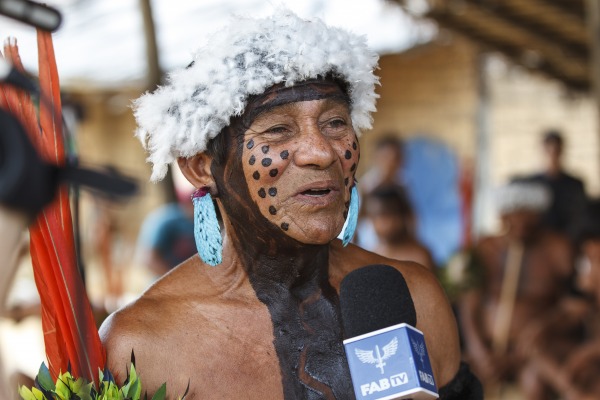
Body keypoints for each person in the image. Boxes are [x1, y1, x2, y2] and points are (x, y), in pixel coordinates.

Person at [100, 10, 480, 399]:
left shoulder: (413, 297)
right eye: (279, 129)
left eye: (335, 123)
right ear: (201, 168)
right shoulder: (142, 345)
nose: (321, 152)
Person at [459, 181, 575, 396]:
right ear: (502, 216)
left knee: (534, 381)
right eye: (515, 213)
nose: (522, 220)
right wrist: (482, 354)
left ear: (539, 216)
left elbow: (574, 307)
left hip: (536, 351)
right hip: (488, 351)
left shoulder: (557, 249)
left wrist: (542, 330)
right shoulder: (486, 249)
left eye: (528, 214)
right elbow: (469, 307)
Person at [520, 130, 586, 239]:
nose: (552, 155)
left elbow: (579, 218)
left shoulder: (574, 185)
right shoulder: (532, 184)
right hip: (539, 242)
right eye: (549, 150)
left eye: (555, 150)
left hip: (568, 241)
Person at [364, 185, 435, 271]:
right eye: (375, 216)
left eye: (386, 215)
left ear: (402, 216)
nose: (381, 223)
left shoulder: (419, 257)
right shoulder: (371, 256)